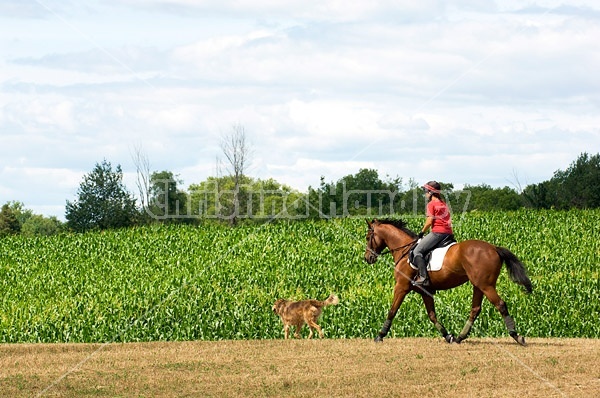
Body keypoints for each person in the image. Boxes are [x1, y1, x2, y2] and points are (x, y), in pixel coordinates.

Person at [412, 181, 454, 287]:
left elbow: (429, 222)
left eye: (426, 191)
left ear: (431, 192)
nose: (425, 193)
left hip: (438, 233)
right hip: (448, 233)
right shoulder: (443, 203)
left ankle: (423, 278)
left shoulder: (431, 204)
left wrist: (421, 232)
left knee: (417, 251)